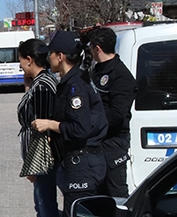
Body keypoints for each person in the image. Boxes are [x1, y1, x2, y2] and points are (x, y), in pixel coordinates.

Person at [31, 31, 108, 217]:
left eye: (50, 53)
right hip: (77, 162)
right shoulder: (72, 81)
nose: (47, 58)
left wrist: (50, 125)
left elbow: (80, 129)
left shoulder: (76, 87)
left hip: (82, 164)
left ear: (60, 56)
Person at [87, 27, 138, 197]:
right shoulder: (97, 71)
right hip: (97, 141)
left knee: (115, 191)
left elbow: (117, 114)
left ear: (98, 48)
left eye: (91, 47)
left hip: (113, 143)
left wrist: (90, 122)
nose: (90, 51)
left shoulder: (121, 75)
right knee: (97, 191)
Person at [17, 39, 59, 217]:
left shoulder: (42, 86)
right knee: (42, 204)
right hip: (39, 158)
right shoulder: (38, 83)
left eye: (20, 61)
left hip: (42, 159)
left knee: (45, 206)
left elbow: (43, 130)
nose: (20, 66)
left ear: (29, 59)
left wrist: (34, 166)